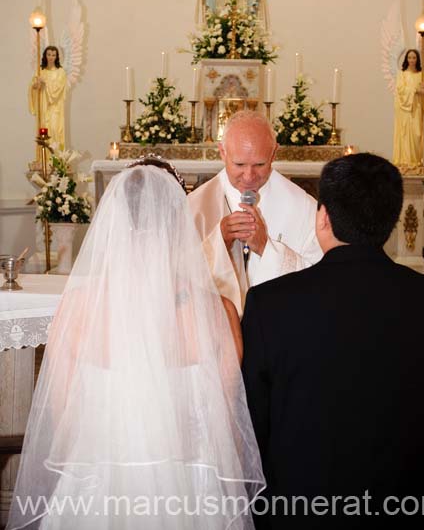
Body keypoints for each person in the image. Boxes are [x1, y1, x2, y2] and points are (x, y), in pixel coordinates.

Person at [7, 157, 264, 529]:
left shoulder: (79, 310)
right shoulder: (218, 314)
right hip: (192, 491)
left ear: (114, 222)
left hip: (98, 485)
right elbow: (229, 429)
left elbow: (62, 422)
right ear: (180, 221)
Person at [242, 153, 424, 529]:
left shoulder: (270, 305)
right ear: (392, 220)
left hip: (300, 511)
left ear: (323, 216)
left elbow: (253, 426)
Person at [188, 111, 322, 317]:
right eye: (239, 165)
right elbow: (178, 279)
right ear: (222, 152)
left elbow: (320, 277)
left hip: (280, 328)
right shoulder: (195, 207)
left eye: (260, 165)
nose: (249, 176)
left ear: (274, 153)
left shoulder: (303, 207)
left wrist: (266, 249)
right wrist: (218, 241)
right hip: (218, 332)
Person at [392, 48, 424, 168]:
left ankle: (416, 161)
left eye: (414, 57)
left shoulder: (422, 75)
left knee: (417, 134)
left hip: (417, 108)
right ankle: (405, 162)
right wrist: (415, 90)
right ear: (406, 59)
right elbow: (400, 90)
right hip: (404, 110)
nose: (412, 60)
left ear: (417, 59)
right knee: (405, 134)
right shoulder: (402, 74)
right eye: (409, 57)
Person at [29, 45, 67, 149]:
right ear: (45, 56)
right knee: (44, 131)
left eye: (53, 55)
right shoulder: (41, 71)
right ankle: (44, 160)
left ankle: (56, 161)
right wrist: (36, 84)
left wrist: (45, 82)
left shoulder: (61, 72)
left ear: (57, 57)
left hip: (55, 108)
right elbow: (34, 88)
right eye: (49, 54)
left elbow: (57, 90)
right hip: (44, 107)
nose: (51, 57)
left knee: (54, 131)